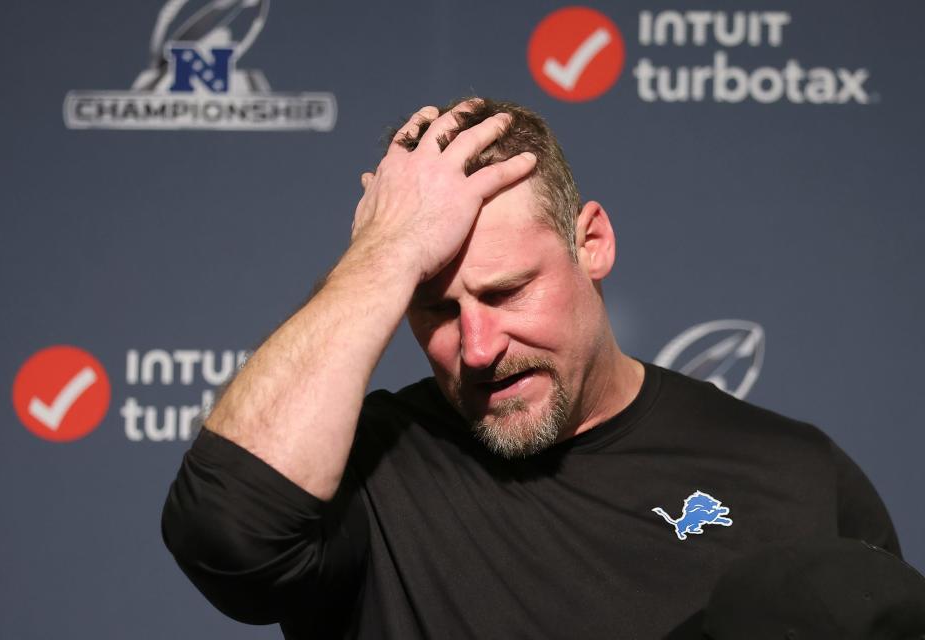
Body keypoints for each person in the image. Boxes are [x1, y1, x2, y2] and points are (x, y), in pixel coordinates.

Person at [162, 98, 901, 639]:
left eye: (507, 291)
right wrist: (383, 255)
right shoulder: (368, 476)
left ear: (594, 243)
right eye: (435, 307)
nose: (479, 346)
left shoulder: (793, 470)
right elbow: (225, 536)